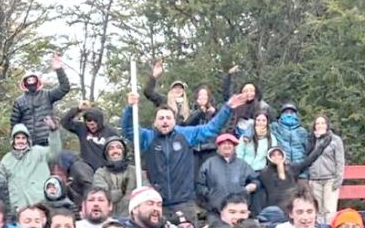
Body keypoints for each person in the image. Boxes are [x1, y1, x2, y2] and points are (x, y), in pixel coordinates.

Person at [122, 91, 245, 220]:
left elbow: (211, 128)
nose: (165, 121)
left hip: (184, 202)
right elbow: (128, 130)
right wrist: (130, 108)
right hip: (157, 203)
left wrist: (227, 108)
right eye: (161, 118)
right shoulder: (148, 137)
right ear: (155, 122)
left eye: (168, 118)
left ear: (174, 121)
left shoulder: (185, 135)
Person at [0, 119, 62, 212]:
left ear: (28, 140)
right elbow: (0, 184)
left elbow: (55, 152)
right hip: (18, 207)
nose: (20, 141)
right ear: (13, 140)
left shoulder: (38, 152)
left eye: (23, 138)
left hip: (40, 203)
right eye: (18, 138)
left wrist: (53, 132)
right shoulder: (6, 159)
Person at [9, 53, 71, 146]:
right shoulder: (19, 101)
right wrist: (15, 140)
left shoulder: (47, 95)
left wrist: (59, 69)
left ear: (37, 81)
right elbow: (14, 124)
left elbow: (64, 88)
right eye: (28, 81)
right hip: (28, 142)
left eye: (33, 80)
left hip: (47, 140)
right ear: (24, 84)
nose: (31, 83)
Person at [61, 103, 118, 199]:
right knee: (73, 162)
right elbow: (65, 122)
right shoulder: (82, 128)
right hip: (86, 169)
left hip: (104, 169)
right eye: (89, 122)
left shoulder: (110, 132)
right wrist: (78, 109)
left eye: (95, 122)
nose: (92, 125)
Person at [196, 133, 260, 215]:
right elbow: (199, 185)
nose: (227, 146)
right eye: (223, 144)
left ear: (234, 147)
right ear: (218, 147)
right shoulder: (209, 164)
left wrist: (251, 187)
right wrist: (210, 195)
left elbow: (255, 180)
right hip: (215, 210)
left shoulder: (242, 164)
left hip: (238, 210)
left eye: (229, 144)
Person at [305, 115, 346, 222]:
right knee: (317, 210)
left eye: (323, 123)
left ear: (327, 125)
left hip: (330, 179)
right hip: (314, 180)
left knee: (329, 210)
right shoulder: (311, 140)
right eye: (317, 123)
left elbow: (340, 161)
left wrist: (338, 179)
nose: (320, 125)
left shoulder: (335, 140)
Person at [91, 136, 139, 217]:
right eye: (111, 148)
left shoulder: (135, 171)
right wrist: (121, 191)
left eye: (118, 148)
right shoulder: (100, 173)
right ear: (106, 154)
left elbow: (145, 194)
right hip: (108, 219)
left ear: (123, 152)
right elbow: (103, 197)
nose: (115, 151)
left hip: (132, 218)